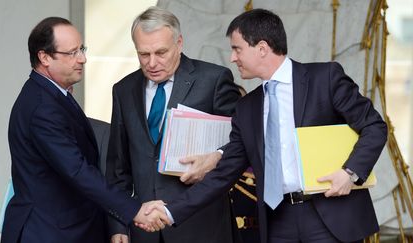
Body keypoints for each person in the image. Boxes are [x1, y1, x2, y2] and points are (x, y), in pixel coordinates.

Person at [163, 9, 388, 243]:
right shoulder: (247, 107)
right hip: (278, 221)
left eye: (237, 48)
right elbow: (223, 173)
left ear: (262, 48)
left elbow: (374, 126)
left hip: (330, 216)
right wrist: (170, 212)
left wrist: (349, 173)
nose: (232, 58)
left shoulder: (325, 77)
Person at [2, 16, 167, 243]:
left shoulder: (53, 94)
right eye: (72, 53)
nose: (83, 59)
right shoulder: (42, 107)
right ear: (44, 57)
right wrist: (134, 210)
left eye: (82, 49)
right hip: (47, 232)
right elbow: (77, 171)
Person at [106, 6, 241, 243]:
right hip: (144, 228)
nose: (152, 62)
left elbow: (241, 142)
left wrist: (216, 157)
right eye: (143, 54)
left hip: (201, 226)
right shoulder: (123, 90)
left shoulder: (214, 80)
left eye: (161, 52)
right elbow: (118, 167)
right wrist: (118, 224)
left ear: (179, 43)